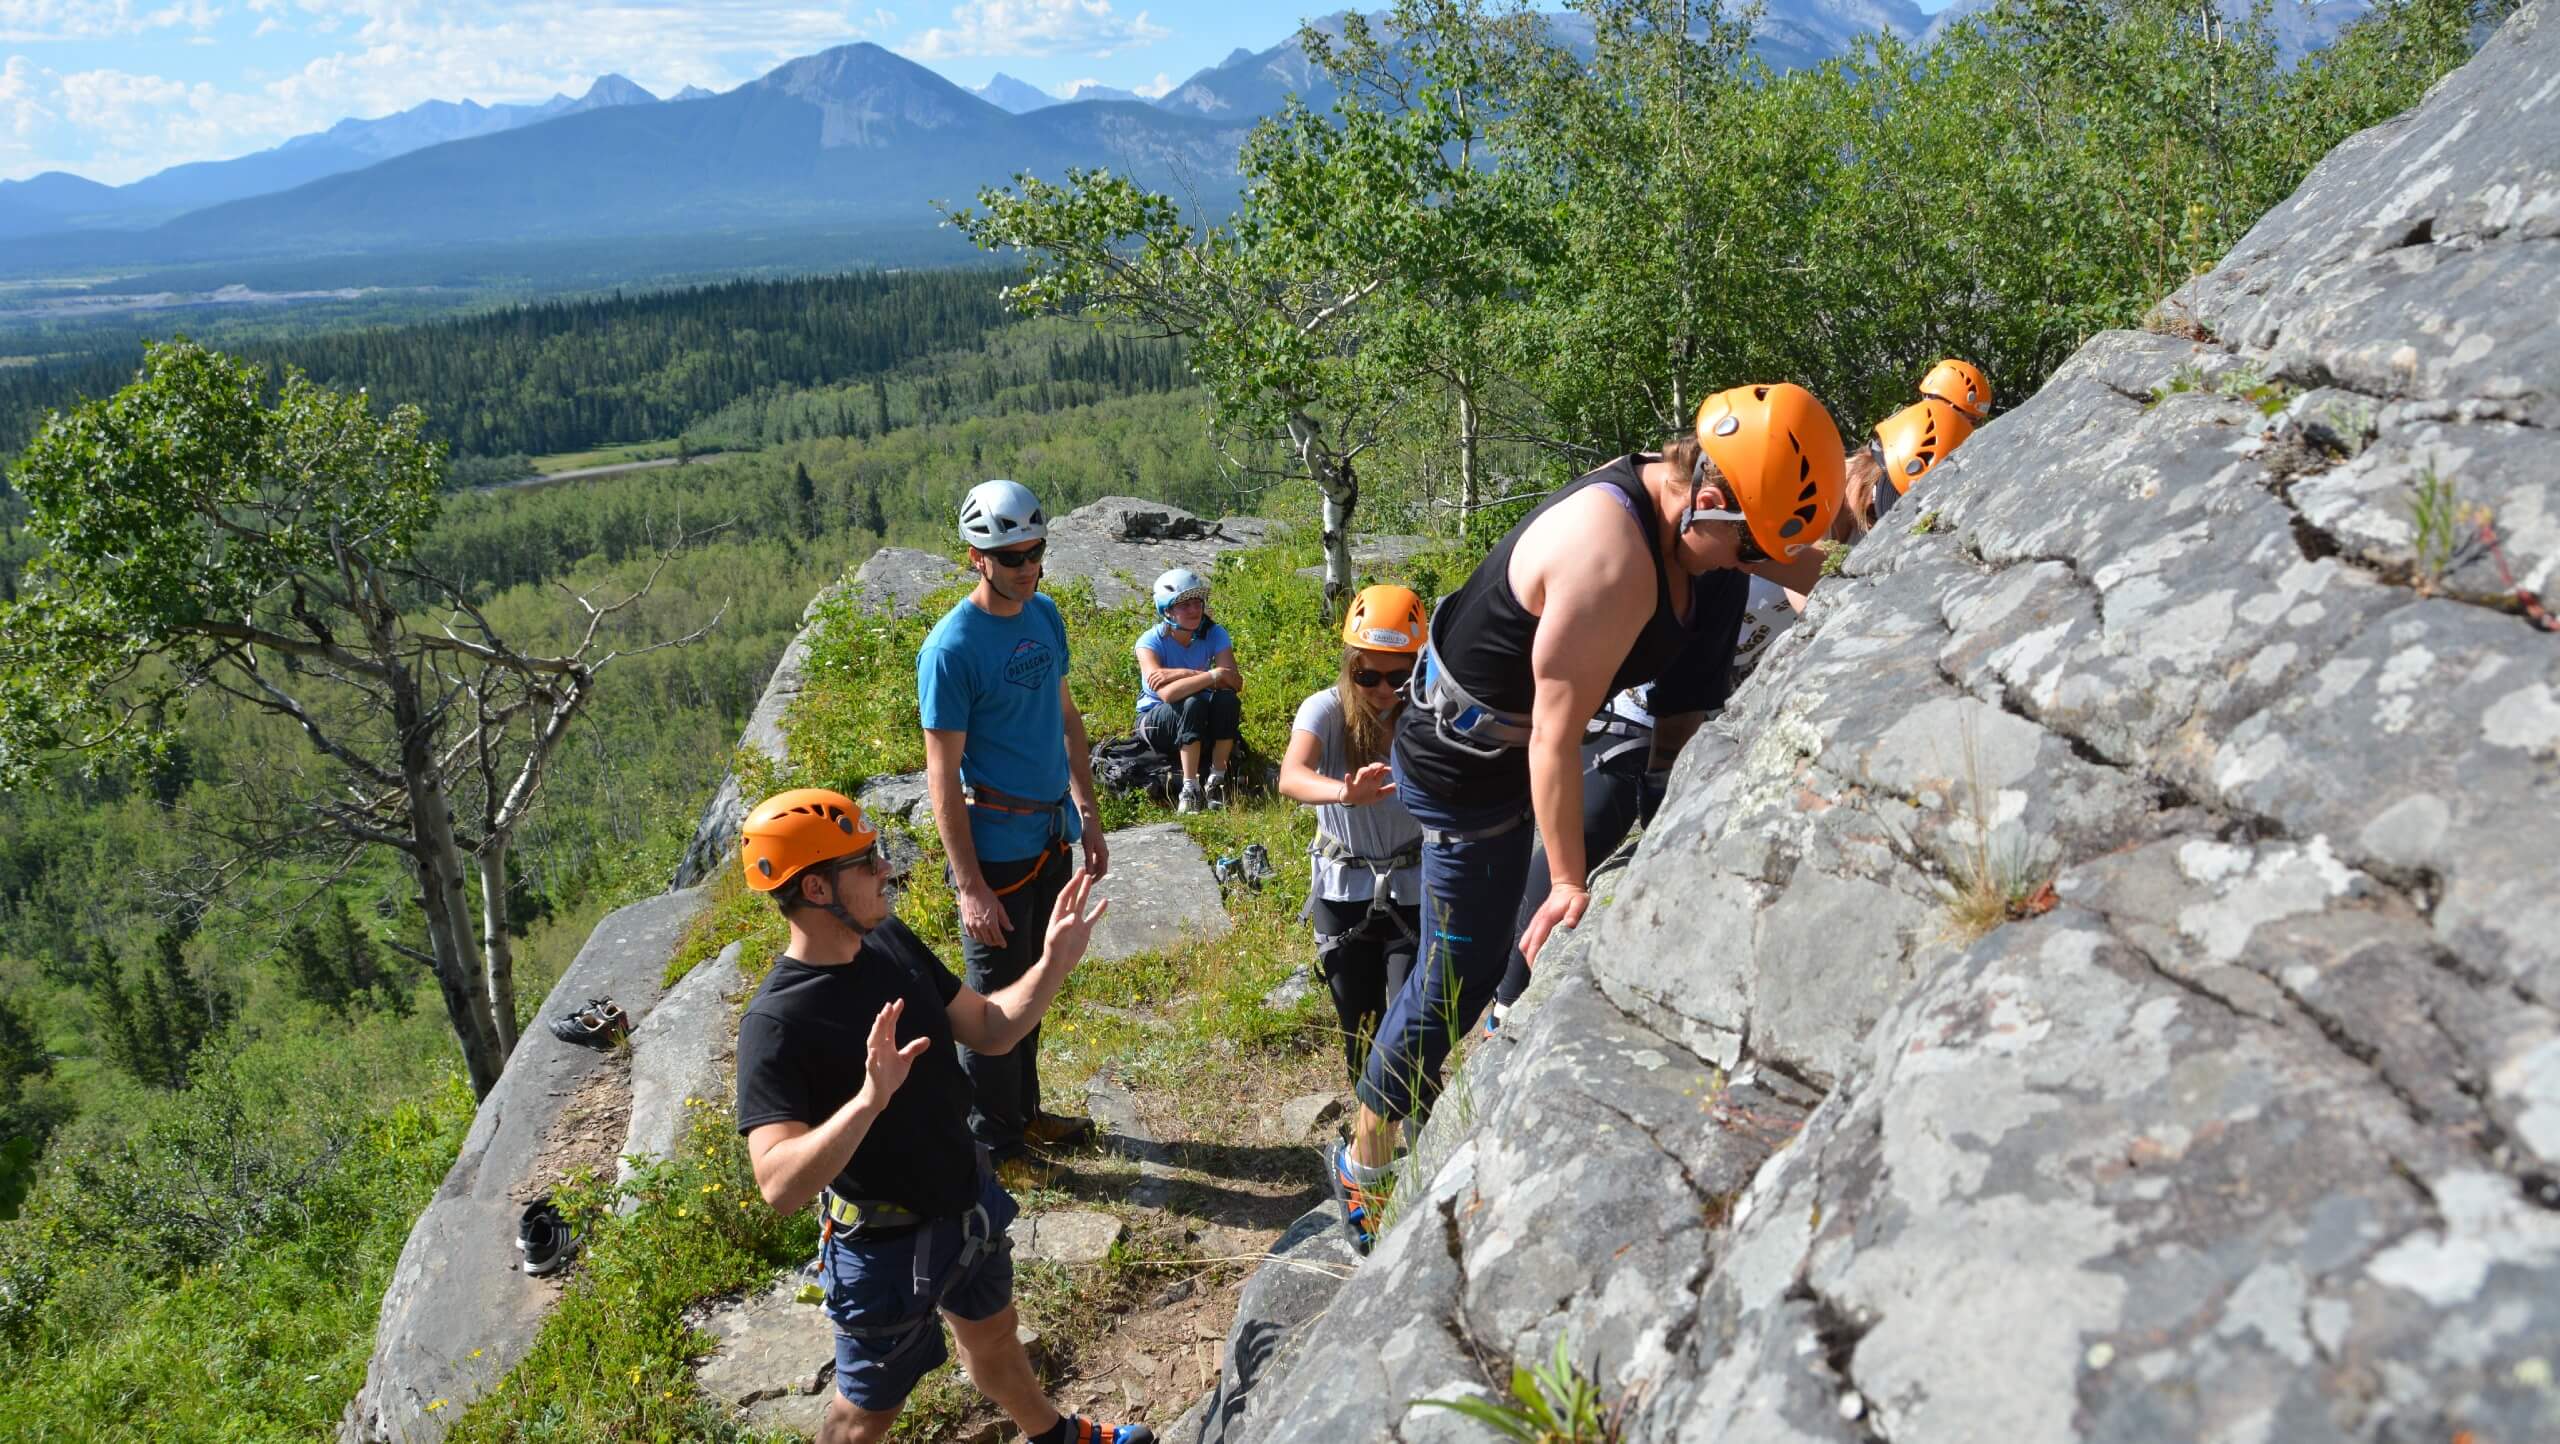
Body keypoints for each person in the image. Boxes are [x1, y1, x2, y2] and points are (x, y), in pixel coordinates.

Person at [1329, 383, 1846, 1254]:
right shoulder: (1611, 556)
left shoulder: (1693, 517)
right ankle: (1364, 1159)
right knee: (1463, 966)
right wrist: (1567, 882)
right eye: (1746, 543)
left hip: (1504, 746)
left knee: (1483, 953)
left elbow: (1782, 561)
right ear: (1709, 501)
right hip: (1466, 767)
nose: (1749, 561)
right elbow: (1554, 738)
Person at [733, 788, 1151, 1444]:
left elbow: (989, 1027)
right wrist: (869, 1101)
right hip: (881, 1250)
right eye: (865, 861)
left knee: (994, 1340)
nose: (884, 872)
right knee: (865, 1412)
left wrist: (1051, 964)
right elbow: (779, 1184)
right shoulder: (777, 1024)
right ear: (817, 889)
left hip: (965, 1204)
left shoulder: (889, 942)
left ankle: (1057, 1437)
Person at [920, 479, 1108, 1176]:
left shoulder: (1044, 615)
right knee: (995, 1005)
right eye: (1014, 556)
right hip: (995, 849)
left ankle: (1023, 1115)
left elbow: (1065, 717)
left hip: (1051, 833)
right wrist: (969, 887)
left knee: (1038, 982)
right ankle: (992, 1146)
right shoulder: (951, 649)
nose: (1029, 567)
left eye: (1037, 552)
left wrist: (1087, 813)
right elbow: (942, 774)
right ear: (977, 557)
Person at [1276, 585, 1430, 1082]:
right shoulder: (1324, 708)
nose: (1384, 690)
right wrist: (1345, 794)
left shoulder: (1428, 713)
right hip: (1345, 893)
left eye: (1398, 675)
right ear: (1349, 666)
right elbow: (1291, 776)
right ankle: (1374, 1155)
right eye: (1367, 675)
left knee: (1413, 1039)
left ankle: (1424, 1148)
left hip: (1413, 891)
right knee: (1361, 1034)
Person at [1133, 567, 1244, 813]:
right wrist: (1212, 676)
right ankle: (1190, 787)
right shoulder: (1149, 642)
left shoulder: (1214, 633)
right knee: (1191, 703)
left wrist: (1180, 674)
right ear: (1167, 610)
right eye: (1184, 605)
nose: (1194, 610)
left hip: (1199, 712)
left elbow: (1234, 682)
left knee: (1226, 701)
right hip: (1156, 718)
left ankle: (1217, 780)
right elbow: (1167, 695)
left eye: (1197, 603)